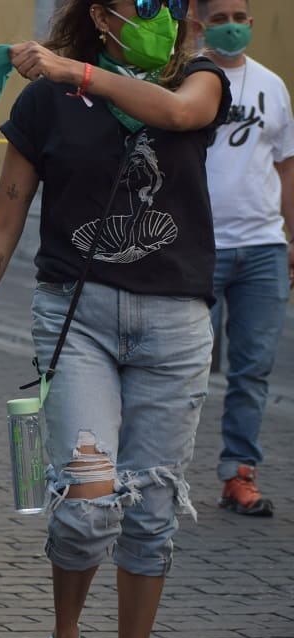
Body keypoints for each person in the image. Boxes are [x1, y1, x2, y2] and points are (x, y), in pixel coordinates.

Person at [0, 0, 228, 638]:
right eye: (143, 4)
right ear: (102, 15)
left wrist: (76, 71)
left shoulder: (197, 78)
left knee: (153, 513)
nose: (163, 14)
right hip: (78, 318)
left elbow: (178, 115)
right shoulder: (45, 102)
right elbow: (5, 214)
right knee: (87, 506)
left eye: (171, 3)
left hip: (176, 326)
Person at [189, 0, 293, 517]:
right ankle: (159, 474)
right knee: (182, 370)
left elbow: (286, 166)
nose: (231, 27)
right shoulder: (184, 82)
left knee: (253, 370)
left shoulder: (273, 85)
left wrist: (292, 238)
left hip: (263, 248)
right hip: (197, 248)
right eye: (220, 19)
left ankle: (239, 474)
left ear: (250, 23)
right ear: (199, 24)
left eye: (239, 18)